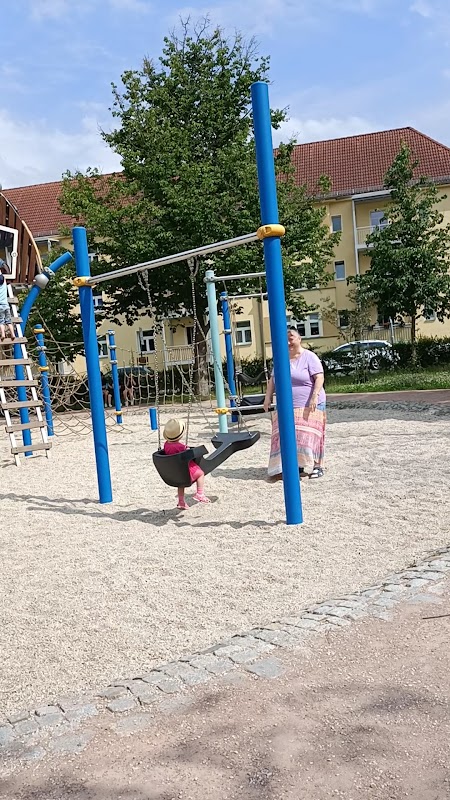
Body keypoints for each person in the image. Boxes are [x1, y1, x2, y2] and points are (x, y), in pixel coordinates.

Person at [263, 327, 326, 479]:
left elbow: (319, 377)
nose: (288, 342)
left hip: (308, 403)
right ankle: (296, 465)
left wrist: (314, 396)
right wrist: (267, 397)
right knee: (288, 435)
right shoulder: (281, 358)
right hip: (286, 405)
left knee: (310, 435)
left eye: (291, 338)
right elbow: (273, 380)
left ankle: (317, 465)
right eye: (285, 339)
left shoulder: (309, 357)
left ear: (299, 339)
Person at [163, 418, 210, 509]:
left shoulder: (166, 445)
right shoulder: (181, 447)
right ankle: (200, 493)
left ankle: (181, 502)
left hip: (176, 472)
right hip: (186, 471)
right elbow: (190, 452)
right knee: (200, 474)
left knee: (181, 484)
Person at [0, 265, 15, 342]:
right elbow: (3, 278)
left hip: (0, 307)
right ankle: (13, 334)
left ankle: (3, 334)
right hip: (6, 306)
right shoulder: (4, 285)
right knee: (8, 321)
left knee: (1, 321)